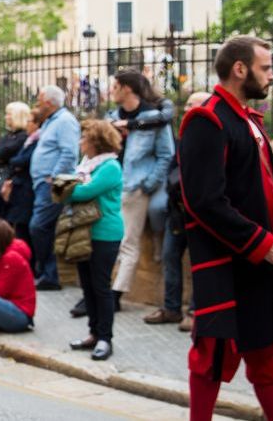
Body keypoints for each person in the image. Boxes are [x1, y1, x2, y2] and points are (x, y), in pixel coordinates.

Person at [178, 35, 273, 421]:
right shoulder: (207, 120)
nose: (272, 75)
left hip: (260, 261)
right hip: (228, 262)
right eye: (266, 68)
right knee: (212, 356)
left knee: (270, 354)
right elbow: (204, 201)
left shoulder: (249, 120)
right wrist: (263, 244)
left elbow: (263, 185)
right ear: (240, 69)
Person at [107, 70, 175, 312]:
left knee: (128, 242)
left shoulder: (154, 118)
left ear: (127, 88)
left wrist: (148, 184)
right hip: (112, 186)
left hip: (135, 187)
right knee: (110, 240)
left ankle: (115, 294)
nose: (111, 91)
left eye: (115, 86)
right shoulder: (112, 118)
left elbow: (166, 155)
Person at [64, 119, 124, 361]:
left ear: (96, 142)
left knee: (101, 287)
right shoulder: (87, 165)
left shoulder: (110, 167)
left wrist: (64, 188)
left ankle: (105, 338)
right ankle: (93, 332)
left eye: (84, 138)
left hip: (105, 233)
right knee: (87, 286)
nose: (80, 142)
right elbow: (69, 188)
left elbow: (82, 191)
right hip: (85, 232)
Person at [154, 91, 210, 332]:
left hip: (200, 215)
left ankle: (195, 312)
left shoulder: (213, 138)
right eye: (186, 105)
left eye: (192, 105)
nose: (186, 109)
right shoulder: (183, 136)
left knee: (199, 263)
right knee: (170, 257)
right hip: (177, 212)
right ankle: (171, 308)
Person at [28, 85, 79, 291]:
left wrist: (54, 176)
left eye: (40, 101)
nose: (37, 105)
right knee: (42, 227)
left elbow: (69, 153)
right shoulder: (52, 121)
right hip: (42, 183)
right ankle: (47, 274)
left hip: (52, 184)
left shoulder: (65, 121)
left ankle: (50, 275)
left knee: (38, 226)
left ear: (49, 103)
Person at [4, 107, 45, 245]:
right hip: (19, 190)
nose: (27, 124)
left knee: (23, 230)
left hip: (26, 191)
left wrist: (15, 162)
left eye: (29, 121)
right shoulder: (29, 140)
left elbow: (22, 160)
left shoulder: (38, 141)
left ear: (37, 124)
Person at [0, 101, 30, 219]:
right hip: (0, 180)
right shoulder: (9, 136)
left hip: (11, 182)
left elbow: (1, 152)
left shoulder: (22, 137)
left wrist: (1, 158)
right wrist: (1, 158)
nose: (6, 117)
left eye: (9, 114)